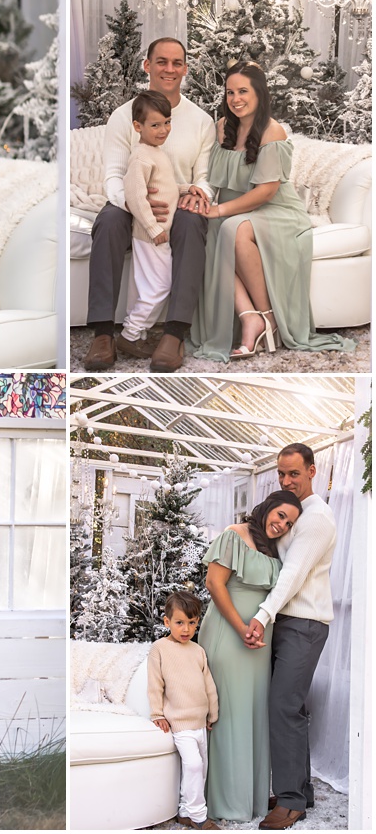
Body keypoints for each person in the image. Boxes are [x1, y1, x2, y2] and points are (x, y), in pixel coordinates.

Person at [187, 62, 354, 362]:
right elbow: (213, 177)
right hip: (238, 209)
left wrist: (220, 210)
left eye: (243, 91)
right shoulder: (223, 126)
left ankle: (268, 316)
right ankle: (249, 316)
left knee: (231, 228)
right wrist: (199, 197)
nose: (235, 99)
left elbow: (266, 191)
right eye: (230, 93)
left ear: (260, 94)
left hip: (276, 210)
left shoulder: (272, 131)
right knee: (209, 230)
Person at [84, 37, 215, 373]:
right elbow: (114, 175)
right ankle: (102, 333)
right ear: (147, 66)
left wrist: (196, 193)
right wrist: (137, 206)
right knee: (109, 221)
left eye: (176, 63)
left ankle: (174, 333)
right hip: (130, 201)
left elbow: (204, 177)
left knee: (191, 220)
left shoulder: (200, 121)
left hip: (178, 202)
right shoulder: (123, 116)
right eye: (161, 62)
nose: (169, 69)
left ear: (185, 68)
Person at [245, 445, 337, 831]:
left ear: (312, 471)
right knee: (291, 709)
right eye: (281, 475)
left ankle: (290, 801)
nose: (286, 481)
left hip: (306, 624)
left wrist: (262, 615)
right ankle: (300, 792)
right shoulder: (294, 514)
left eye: (294, 474)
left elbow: (294, 573)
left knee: (283, 706)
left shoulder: (318, 518)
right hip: (288, 621)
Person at [199, 490, 302, 822]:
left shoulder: (275, 549)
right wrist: (241, 627)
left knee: (254, 714)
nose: (282, 524)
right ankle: (226, 801)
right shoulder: (234, 535)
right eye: (280, 515)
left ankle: (253, 800)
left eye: (289, 522)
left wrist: (255, 629)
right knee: (229, 714)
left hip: (258, 643)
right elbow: (214, 584)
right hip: (229, 635)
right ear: (268, 508)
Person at [147, 590, 220, 831]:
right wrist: (157, 713)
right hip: (180, 723)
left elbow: (208, 683)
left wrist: (213, 713)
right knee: (193, 765)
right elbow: (155, 683)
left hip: (200, 723)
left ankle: (185, 811)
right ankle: (199, 816)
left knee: (203, 768)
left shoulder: (197, 650)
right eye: (179, 623)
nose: (186, 629)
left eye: (192, 622)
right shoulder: (159, 649)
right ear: (167, 622)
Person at [119, 90, 185, 354]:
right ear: (138, 126)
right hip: (151, 234)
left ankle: (138, 333)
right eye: (155, 125)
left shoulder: (157, 152)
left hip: (157, 232)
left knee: (146, 286)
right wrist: (153, 227)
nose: (163, 130)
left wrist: (187, 188)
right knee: (160, 285)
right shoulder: (141, 157)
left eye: (167, 122)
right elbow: (135, 196)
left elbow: (164, 186)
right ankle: (130, 333)